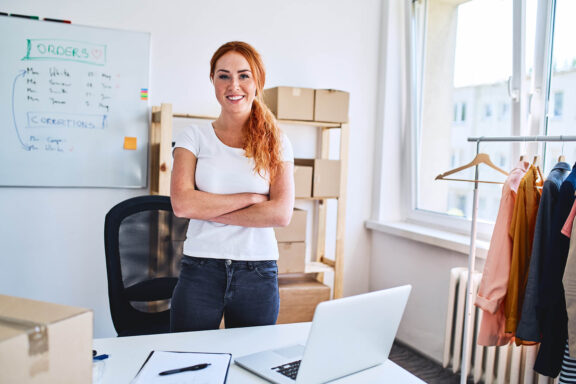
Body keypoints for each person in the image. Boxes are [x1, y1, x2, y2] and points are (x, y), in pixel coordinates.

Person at [170, 41, 295, 332]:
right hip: (200, 267)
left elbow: (280, 214)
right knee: (188, 362)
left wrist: (208, 210)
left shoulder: (277, 142)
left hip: (258, 270)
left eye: (244, 75)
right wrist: (251, 198)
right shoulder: (192, 137)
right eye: (223, 75)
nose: (233, 85)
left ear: (257, 82)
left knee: (251, 365)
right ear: (213, 80)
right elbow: (183, 204)